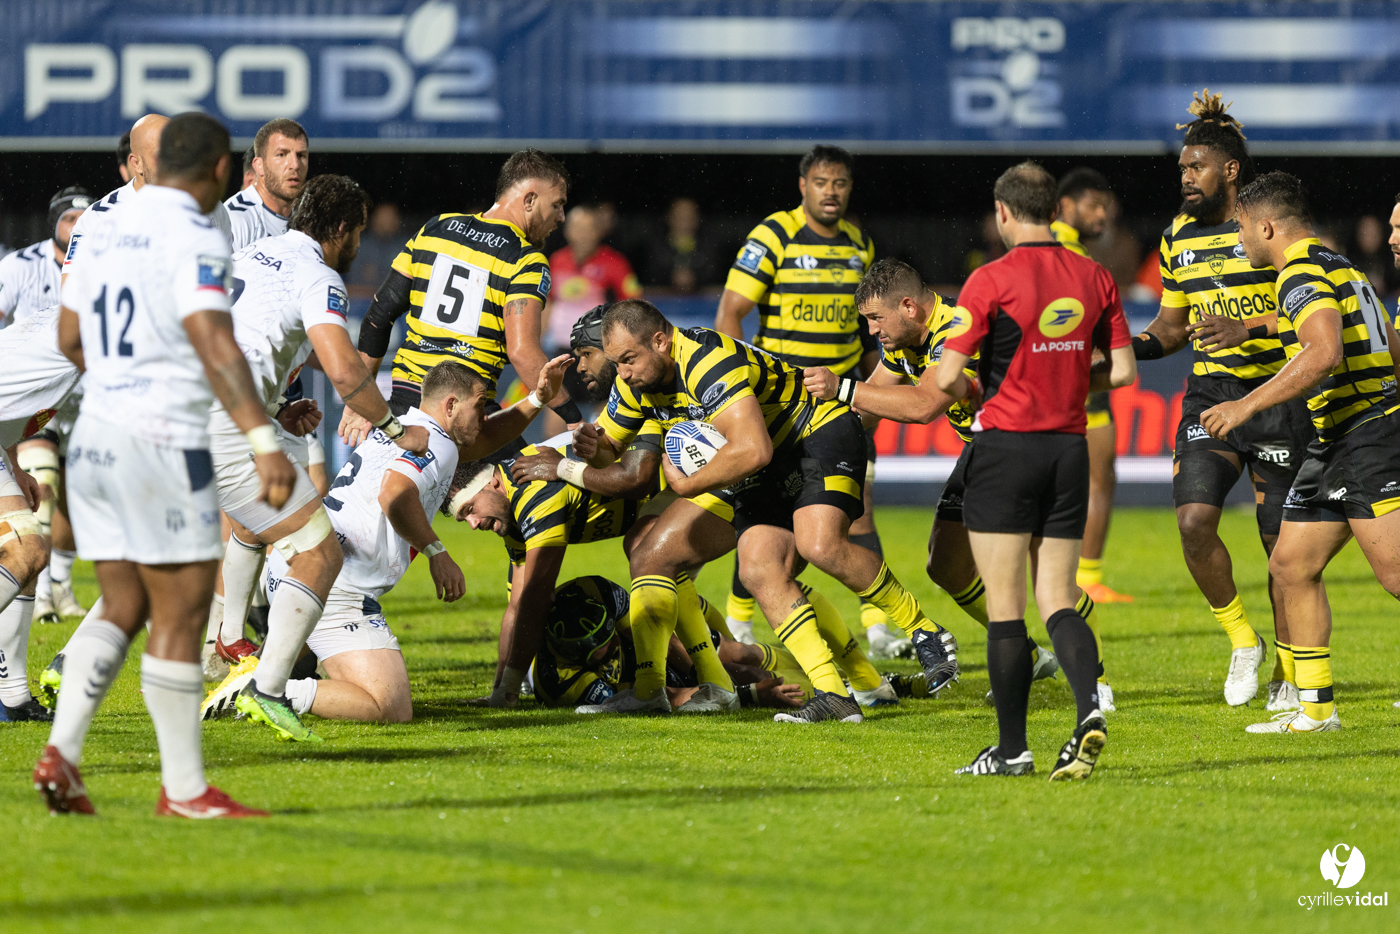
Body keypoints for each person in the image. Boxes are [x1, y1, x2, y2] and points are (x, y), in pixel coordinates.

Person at [37, 112, 287, 818]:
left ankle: (64, 754)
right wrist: (262, 440)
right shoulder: (199, 230)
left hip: (93, 439)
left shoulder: (102, 224)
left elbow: (68, 335)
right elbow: (213, 336)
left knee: (123, 602)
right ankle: (183, 791)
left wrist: (123, 377)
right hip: (162, 443)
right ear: (217, 171)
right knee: (179, 615)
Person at [582, 300, 946, 722]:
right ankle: (833, 692)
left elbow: (754, 448)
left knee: (820, 545)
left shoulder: (707, 362)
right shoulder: (635, 381)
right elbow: (610, 443)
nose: (622, 373)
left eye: (628, 360)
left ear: (661, 342)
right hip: (760, 463)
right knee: (740, 567)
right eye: (616, 363)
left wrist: (687, 484)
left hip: (814, 432)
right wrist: (593, 450)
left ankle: (923, 629)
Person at [203, 358, 569, 723]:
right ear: (451, 405)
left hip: (298, 565)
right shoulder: (437, 444)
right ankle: (264, 689)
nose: (484, 416)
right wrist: (437, 552)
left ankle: (261, 674)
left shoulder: (409, 427)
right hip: (336, 588)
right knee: (389, 707)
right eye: (479, 407)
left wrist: (536, 398)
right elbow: (395, 494)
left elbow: (485, 438)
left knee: (302, 663)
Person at [204, 174, 436, 743]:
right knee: (319, 551)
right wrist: (391, 426)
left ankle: (229, 640)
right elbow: (343, 366)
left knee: (246, 528)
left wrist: (275, 407)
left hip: (195, 407)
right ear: (339, 229)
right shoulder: (318, 274)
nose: (358, 245)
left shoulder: (249, 252)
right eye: (356, 232)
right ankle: (264, 685)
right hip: (224, 421)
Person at [933, 161, 1135, 779]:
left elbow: (944, 378)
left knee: (1005, 607)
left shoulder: (988, 279)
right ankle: (1086, 711)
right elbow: (1124, 372)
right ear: (1055, 209)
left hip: (1006, 451)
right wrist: (1070, 373)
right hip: (1069, 449)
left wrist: (972, 384)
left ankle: (1012, 748)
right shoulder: (1094, 274)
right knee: (1058, 596)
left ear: (1002, 212)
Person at [805, 258, 1072, 702]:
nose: (872, 332)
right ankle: (1025, 654)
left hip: (1029, 446)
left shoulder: (958, 330)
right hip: (986, 450)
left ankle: (1093, 683)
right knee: (946, 564)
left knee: (1044, 570)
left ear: (909, 306)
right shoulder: (904, 340)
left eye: (876, 319)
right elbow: (868, 410)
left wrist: (842, 388)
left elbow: (924, 405)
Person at [1199, 172, 1400, 734]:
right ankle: (1315, 711)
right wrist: (1252, 327)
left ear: (1267, 225)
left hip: (1363, 436)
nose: (1239, 240)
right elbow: (1390, 343)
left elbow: (1323, 351)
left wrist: (1244, 407)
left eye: (1242, 228)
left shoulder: (1298, 275)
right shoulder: (1342, 268)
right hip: (1338, 437)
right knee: (1290, 566)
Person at [1132, 91, 1313, 710]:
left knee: (1278, 542)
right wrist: (1126, 346)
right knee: (1192, 521)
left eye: (1196, 166)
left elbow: (1314, 313)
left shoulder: (1269, 230)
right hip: (1212, 392)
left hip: (1279, 395)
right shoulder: (1177, 236)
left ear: (1230, 170)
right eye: (1182, 167)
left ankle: (1293, 673)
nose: (1185, 177)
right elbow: (1171, 325)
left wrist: (1252, 328)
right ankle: (1243, 640)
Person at [714, 145, 900, 659]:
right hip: (784, 408)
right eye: (822, 182)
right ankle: (740, 617)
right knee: (768, 512)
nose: (831, 192)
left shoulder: (859, 245)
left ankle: (879, 626)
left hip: (841, 405)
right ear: (803, 186)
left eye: (840, 183)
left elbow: (868, 338)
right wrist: (738, 390)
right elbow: (730, 312)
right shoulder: (772, 235)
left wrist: (875, 397)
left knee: (858, 509)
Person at [347, 149, 581, 429]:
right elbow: (524, 354)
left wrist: (361, 401)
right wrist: (574, 419)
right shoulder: (525, 260)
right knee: (526, 473)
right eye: (557, 204)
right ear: (530, 200)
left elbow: (378, 315)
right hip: (465, 416)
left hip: (406, 404)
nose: (561, 217)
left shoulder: (436, 228)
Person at [3, 187, 92, 625]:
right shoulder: (20, 267)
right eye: (68, 220)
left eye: (83, 220)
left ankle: (14, 694)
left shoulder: (84, 301)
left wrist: (14, 464)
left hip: (31, 418)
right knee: (29, 537)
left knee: (33, 541)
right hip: (31, 406)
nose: (77, 228)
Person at [531, 576, 803, 710]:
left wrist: (704, 672)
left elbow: (660, 636)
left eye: (611, 632)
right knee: (758, 683)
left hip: (649, 647)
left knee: (738, 658)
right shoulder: (560, 682)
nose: (615, 640)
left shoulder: (595, 591)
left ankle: (823, 670)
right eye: (606, 646)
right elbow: (653, 701)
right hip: (636, 688)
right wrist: (747, 694)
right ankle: (827, 687)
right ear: (580, 656)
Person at [1052, 168, 1133, 606]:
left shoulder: (1060, 250)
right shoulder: (1068, 256)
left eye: (1106, 206)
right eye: (1094, 205)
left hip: (1061, 380)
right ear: (1066, 205)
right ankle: (1086, 578)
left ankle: (1072, 578)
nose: (1103, 214)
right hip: (1077, 382)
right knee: (1098, 479)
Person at [0, 305, 84, 722]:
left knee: (30, 556)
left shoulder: (55, 316)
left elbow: (11, 398)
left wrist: (14, 463)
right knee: (27, 552)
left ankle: (12, 698)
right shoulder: (95, 323)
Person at [64, 114, 234, 278]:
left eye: (177, 152)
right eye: (161, 155)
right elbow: (70, 296)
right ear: (136, 164)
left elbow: (229, 282)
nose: (173, 162)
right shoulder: (97, 219)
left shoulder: (212, 208)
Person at [542, 205, 642, 355]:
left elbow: (634, 302)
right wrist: (539, 338)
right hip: (560, 348)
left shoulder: (615, 262)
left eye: (589, 229)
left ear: (598, 232)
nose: (583, 235)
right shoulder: (556, 260)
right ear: (567, 232)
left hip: (597, 349)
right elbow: (548, 301)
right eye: (578, 229)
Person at [224, 118, 309, 250]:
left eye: (301, 155)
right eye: (281, 155)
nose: (295, 165)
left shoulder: (309, 220)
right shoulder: (236, 219)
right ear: (259, 166)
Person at [644, 197, 721, 292]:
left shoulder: (709, 244)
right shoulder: (655, 244)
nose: (684, 222)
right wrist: (671, 277)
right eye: (680, 217)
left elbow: (714, 275)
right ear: (669, 218)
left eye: (689, 217)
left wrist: (695, 278)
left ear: (697, 220)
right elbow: (650, 275)